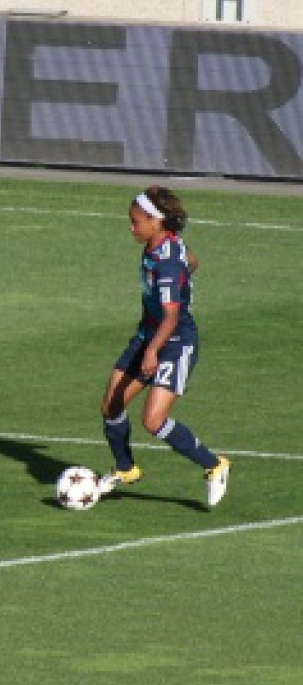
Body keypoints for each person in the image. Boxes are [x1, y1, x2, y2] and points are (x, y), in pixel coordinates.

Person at [97, 188, 230, 508]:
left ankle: (215, 466)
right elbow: (193, 262)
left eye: (136, 221)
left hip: (174, 343)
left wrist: (153, 351)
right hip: (148, 336)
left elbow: (171, 317)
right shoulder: (164, 245)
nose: (131, 227)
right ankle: (126, 468)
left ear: (156, 221)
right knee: (111, 406)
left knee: (153, 420)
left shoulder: (167, 264)